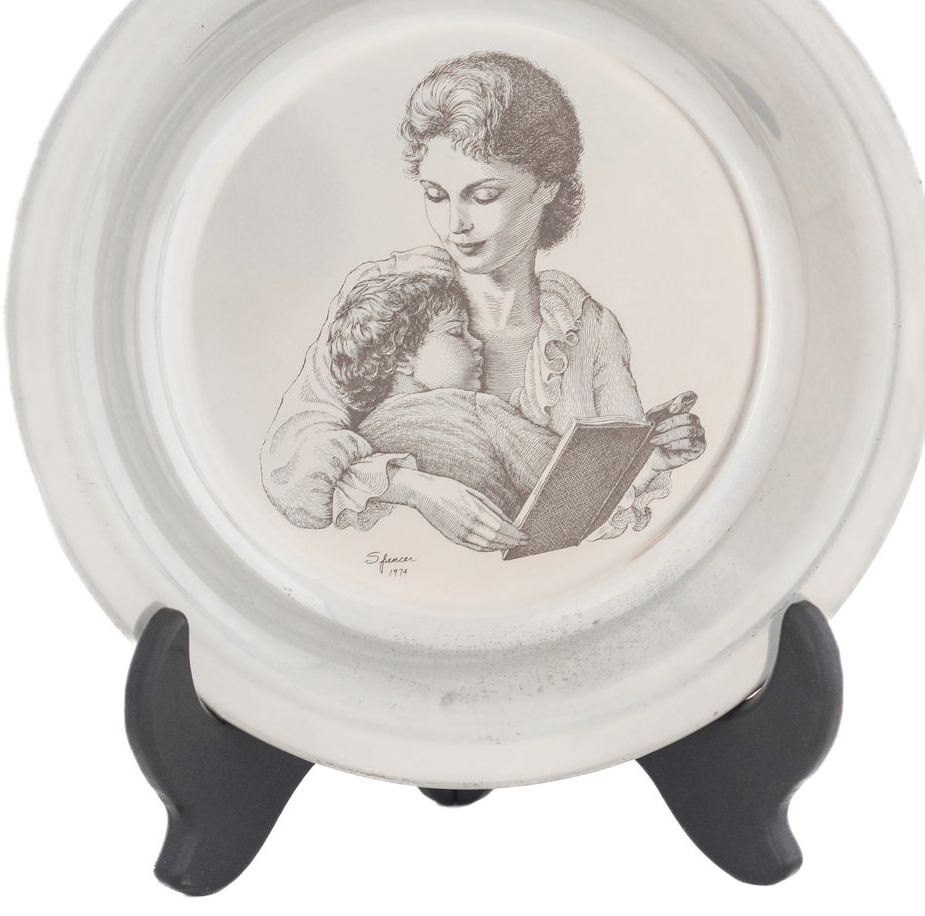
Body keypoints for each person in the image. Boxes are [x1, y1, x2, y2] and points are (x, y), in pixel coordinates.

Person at [261, 51, 707, 554]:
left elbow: (601, 509)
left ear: (546, 186)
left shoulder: (585, 327)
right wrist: (414, 488)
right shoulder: (390, 293)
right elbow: (290, 467)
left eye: (484, 195)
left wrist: (653, 452)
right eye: (436, 195)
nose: (456, 223)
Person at [325, 268, 559, 541]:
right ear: (404, 358)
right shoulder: (474, 409)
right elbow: (567, 473)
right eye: (456, 332)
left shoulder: (362, 440)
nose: (477, 343)